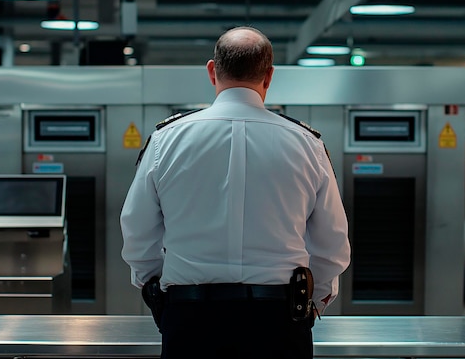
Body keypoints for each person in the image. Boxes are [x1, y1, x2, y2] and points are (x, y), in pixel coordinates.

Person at [120, 26, 351, 359]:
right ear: (269, 77)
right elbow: (332, 245)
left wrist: (158, 296)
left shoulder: (165, 141)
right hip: (279, 322)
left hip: (190, 321)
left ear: (212, 71)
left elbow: (137, 234)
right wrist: (312, 305)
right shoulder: (307, 145)